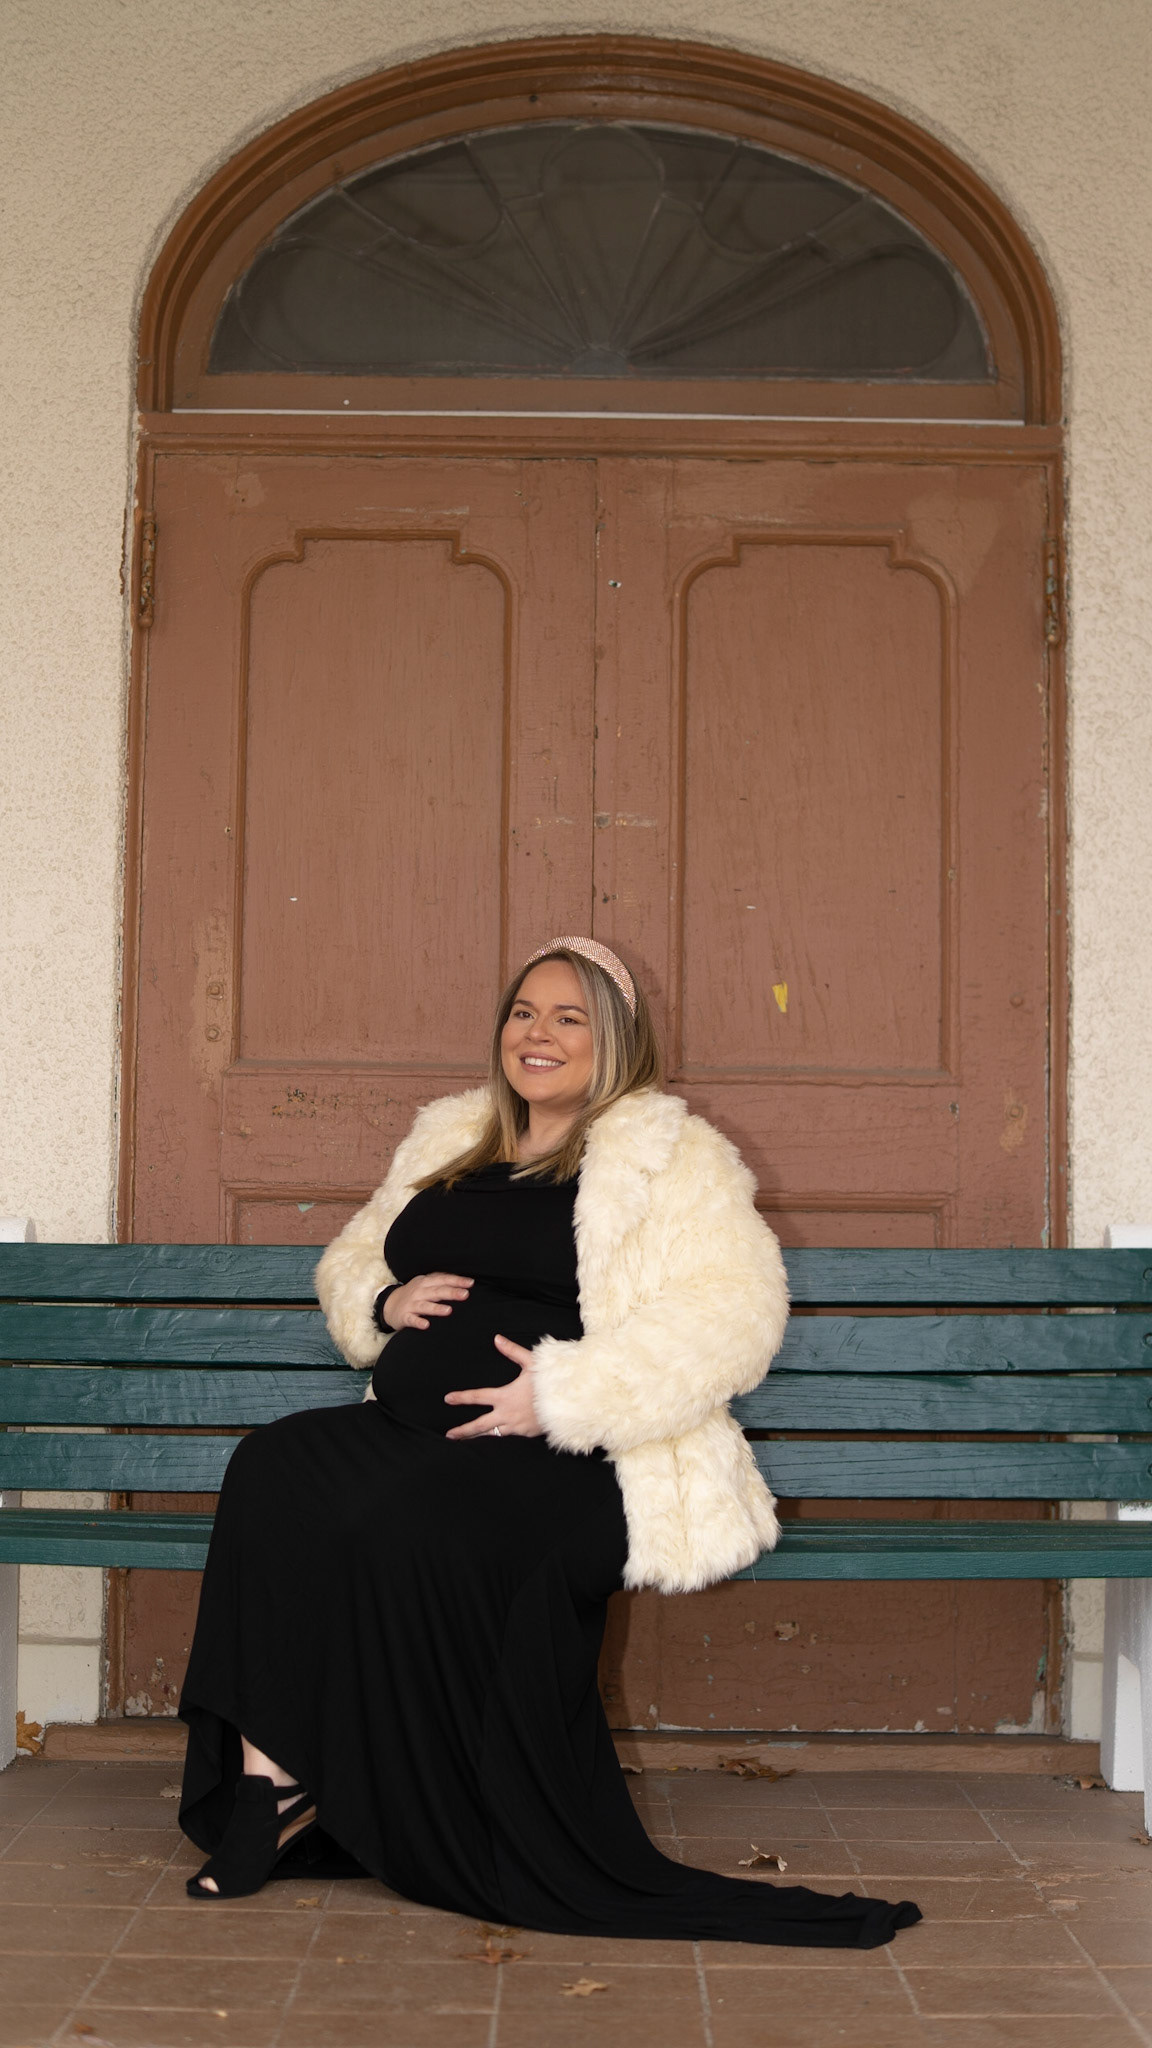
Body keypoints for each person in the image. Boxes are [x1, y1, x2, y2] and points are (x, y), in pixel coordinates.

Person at [178, 937, 920, 1947]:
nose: (539, 1033)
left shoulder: (670, 1154)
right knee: (275, 1466)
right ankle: (275, 1781)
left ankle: (404, 1791)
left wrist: (562, 1395)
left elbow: (736, 1314)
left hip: (572, 1458)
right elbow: (357, 1253)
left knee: (405, 1519)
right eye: (525, 1011)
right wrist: (383, 1299)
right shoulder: (453, 1134)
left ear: (613, 1041)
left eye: (570, 1017)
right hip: (411, 1430)